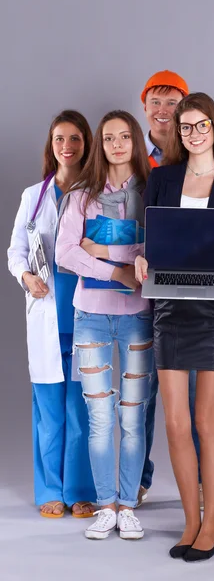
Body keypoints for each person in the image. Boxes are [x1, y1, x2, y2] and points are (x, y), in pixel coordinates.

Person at [135, 92, 214, 562]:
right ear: (178, 133)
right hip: (169, 301)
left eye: (201, 125)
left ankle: (211, 526)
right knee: (175, 423)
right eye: (185, 127)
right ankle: (189, 522)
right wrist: (143, 257)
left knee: (206, 421)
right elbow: (151, 237)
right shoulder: (161, 179)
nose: (193, 133)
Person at [56, 110, 153, 540]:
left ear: (135, 141)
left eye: (125, 136)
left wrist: (96, 247)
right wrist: (118, 267)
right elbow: (64, 253)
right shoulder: (80, 195)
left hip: (138, 317)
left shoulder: (154, 193)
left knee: (132, 419)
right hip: (91, 316)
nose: (117, 144)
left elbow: (159, 248)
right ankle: (106, 506)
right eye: (109, 137)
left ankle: (129, 506)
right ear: (101, 144)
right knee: (100, 419)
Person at [7, 110, 96, 519]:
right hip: (45, 314)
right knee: (48, 409)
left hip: (84, 313)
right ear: (51, 144)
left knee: (82, 409)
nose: (67, 146)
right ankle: (49, 491)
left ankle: (80, 491)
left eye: (75, 138)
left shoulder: (96, 194)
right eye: (60, 138)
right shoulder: (33, 195)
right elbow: (15, 252)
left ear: (85, 144)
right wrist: (26, 276)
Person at [138, 70, 203, 510]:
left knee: (193, 399)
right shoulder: (125, 153)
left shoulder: (198, 160)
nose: (163, 111)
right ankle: (135, 479)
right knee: (140, 395)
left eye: (172, 103)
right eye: (155, 102)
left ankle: (197, 485)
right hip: (138, 293)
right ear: (145, 107)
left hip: (186, 296)